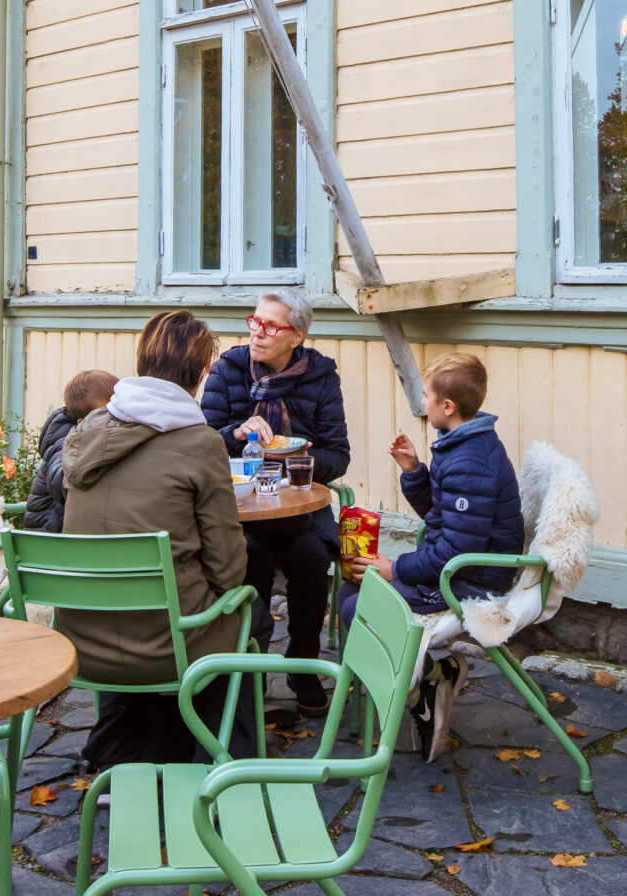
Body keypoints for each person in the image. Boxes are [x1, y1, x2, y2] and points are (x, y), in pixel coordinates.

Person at [59, 310, 252, 767]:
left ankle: (124, 752)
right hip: (167, 645)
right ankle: (228, 761)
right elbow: (229, 570)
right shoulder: (201, 443)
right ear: (202, 372)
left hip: (82, 638)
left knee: (157, 605)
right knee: (246, 611)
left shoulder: (87, 431)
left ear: (142, 359)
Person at [339, 351, 524, 761]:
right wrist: (413, 471)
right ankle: (438, 674)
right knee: (349, 591)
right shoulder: (461, 445)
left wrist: (395, 568)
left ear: (447, 407)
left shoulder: (470, 459)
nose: (423, 403)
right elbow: (442, 519)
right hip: (456, 569)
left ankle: (418, 695)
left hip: (469, 583)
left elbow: (457, 550)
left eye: (426, 396)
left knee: (360, 608)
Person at [201, 290, 350, 716]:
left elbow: (338, 455)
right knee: (251, 556)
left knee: (308, 557)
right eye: (254, 322)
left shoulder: (321, 377)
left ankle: (303, 664)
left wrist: (294, 460)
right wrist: (233, 433)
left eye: (270, 326)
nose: (257, 333)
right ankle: (252, 667)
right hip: (242, 510)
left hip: (300, 507)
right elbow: (202, 441)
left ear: (297, 335)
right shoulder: (228, 369)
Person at [23, 370, 118, 531]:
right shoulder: (62, 444)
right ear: (83, 423)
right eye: (108, 414)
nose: (116, 418)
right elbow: (63, 480)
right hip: (47, 538)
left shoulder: (79, 438)